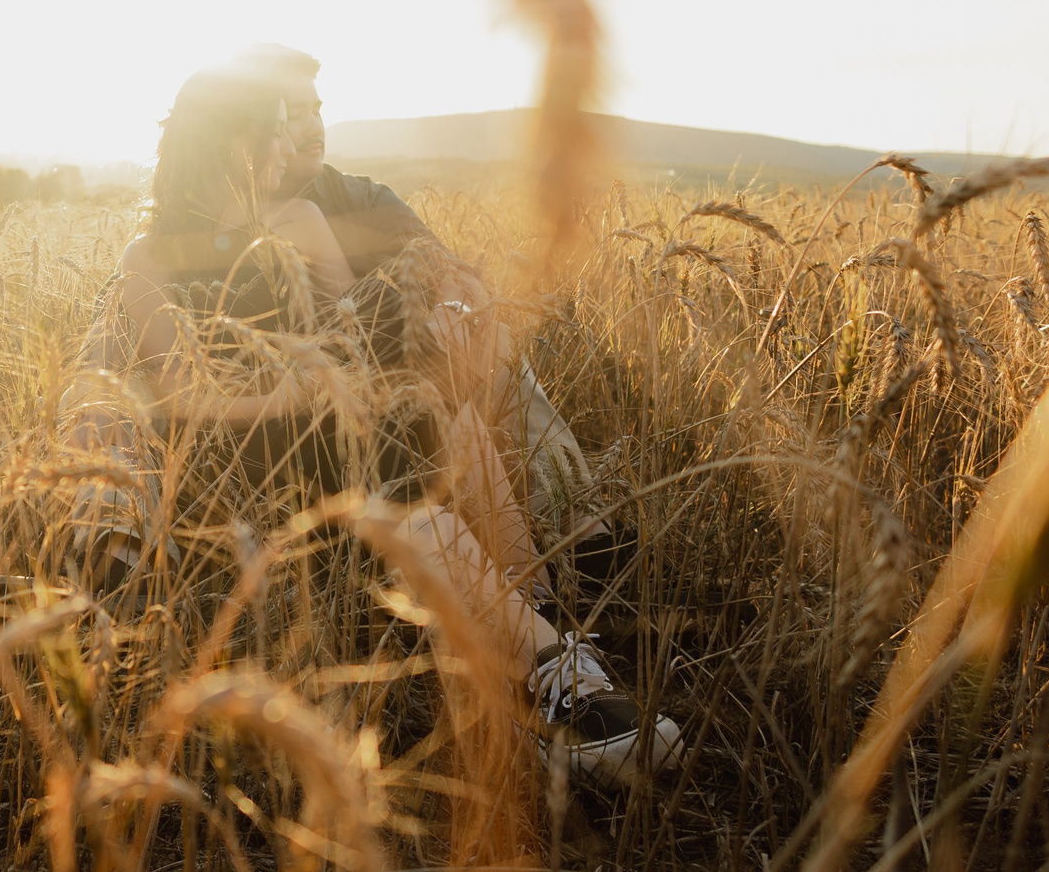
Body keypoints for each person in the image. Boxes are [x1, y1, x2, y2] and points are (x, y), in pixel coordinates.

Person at [84, 66, 676, 780]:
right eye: (274, 128)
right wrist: (298, 392)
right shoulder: (148, 256)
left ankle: (549, 661)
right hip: (242, 465)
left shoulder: (299, 218)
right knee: (413, 488)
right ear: (229, 140)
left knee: (442, 426)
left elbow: (351, 336)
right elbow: (185, 393)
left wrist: (359, 372)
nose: (287, 143)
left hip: (334, 428)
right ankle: (557, 678)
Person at [224, 44, 634, 601]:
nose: (313, 125)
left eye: (317, 108)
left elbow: (454, 274)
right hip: (314, 434)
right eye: (292, 113)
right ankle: (539, 575)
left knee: (481, 335)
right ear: (256, 125)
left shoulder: (357, 195)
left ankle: (579, 537)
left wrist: (453, 309)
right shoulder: (218, 224)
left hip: (403, 378)